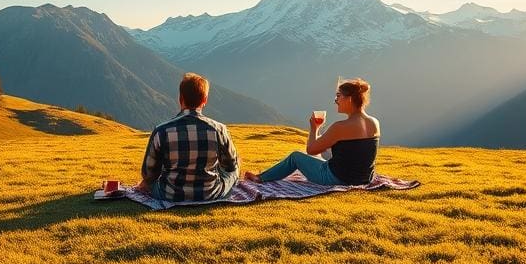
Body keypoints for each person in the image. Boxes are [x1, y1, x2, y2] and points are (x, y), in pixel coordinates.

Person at [245, 78, 379, 185]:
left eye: (338, 96)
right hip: (364, 178)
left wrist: (314, 128)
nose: (336, 101)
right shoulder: (374, 122)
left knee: (296, 157)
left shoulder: (340, 127)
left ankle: (260, 178)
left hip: (339, 179)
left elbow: (311, 150)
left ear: (349, 99)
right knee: (325, 149)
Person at [137, 73, 240, 202]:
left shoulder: (161, 131)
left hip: (169, 194)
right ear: (205, 100)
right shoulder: (219, 130)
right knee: (234, 170)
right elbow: (230, 166)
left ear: (180, 98)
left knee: (150, 183)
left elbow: (149, 173)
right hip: (210, 194)